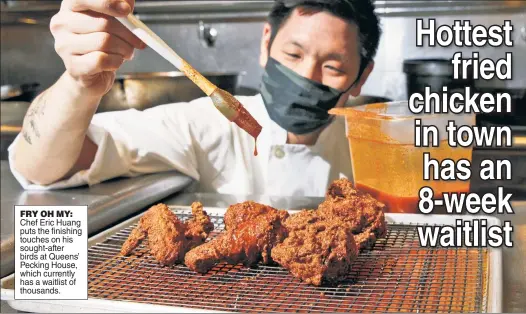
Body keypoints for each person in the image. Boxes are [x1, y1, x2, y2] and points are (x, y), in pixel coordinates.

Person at [10, 0, 381, 197]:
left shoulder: (378, 148)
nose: (305, 78)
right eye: (294, 56)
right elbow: (40, 168)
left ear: (361, 76)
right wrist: (79, 83)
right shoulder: (208, 123)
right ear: (266, 43)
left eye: (332, 67)